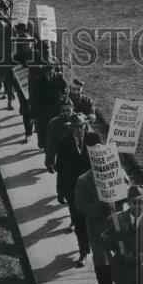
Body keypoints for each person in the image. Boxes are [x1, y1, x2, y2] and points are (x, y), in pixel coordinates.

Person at [74, 133, 122, 284]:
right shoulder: (84, 180)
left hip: (118, 222)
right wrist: (99, 204)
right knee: (102, 260)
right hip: (98, 227)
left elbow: (128, 194)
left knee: (124, 255)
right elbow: (80, 205)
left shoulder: (118, 173)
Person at [46, 107, 91, 263]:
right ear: (71, 129)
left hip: (93, 190)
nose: (79, 130)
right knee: (78, 221)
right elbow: (62, 170)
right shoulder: (64, 144)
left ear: (85, 125)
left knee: (92, 220)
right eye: (76, 127)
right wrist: (60, 191)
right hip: (73, 190)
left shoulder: (94, 139)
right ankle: (83, 251)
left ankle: (91, 244)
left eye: (82, 126)